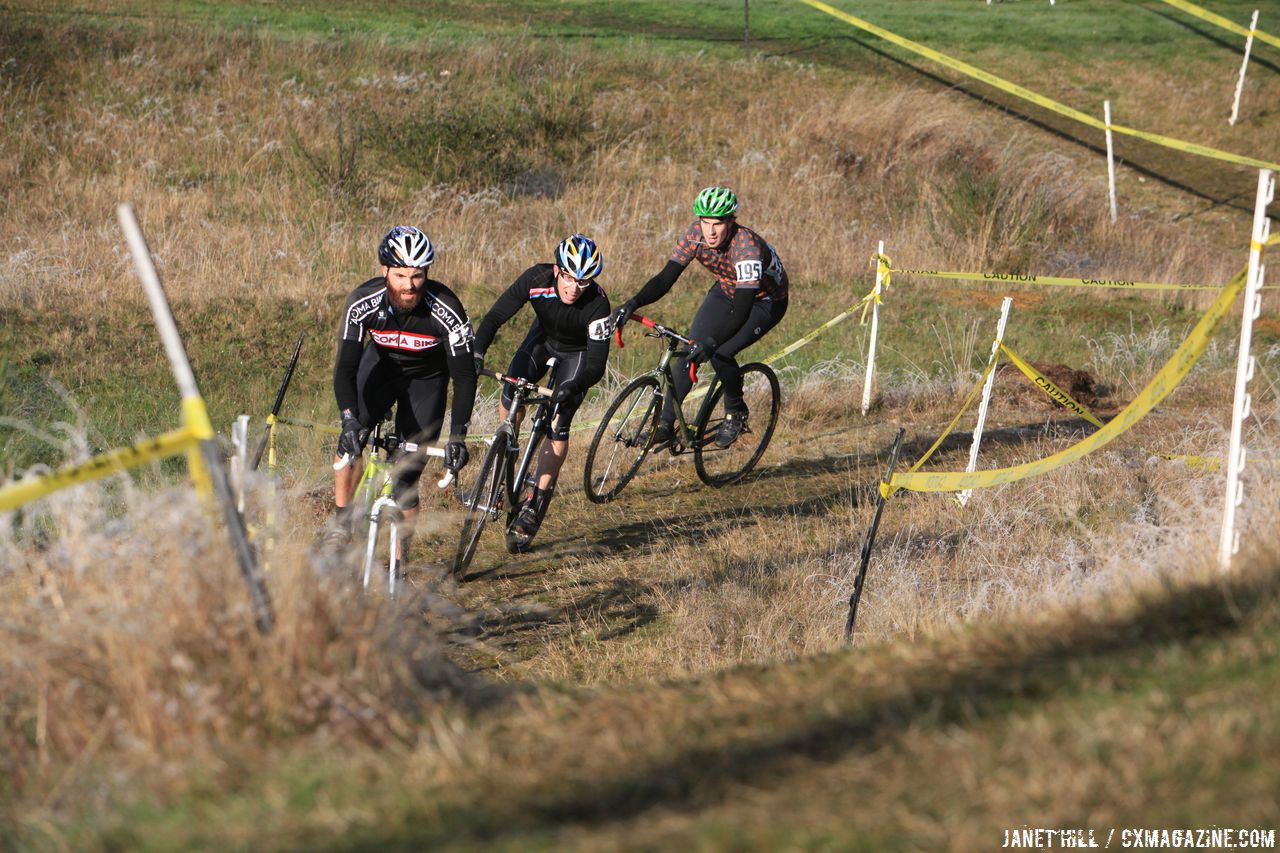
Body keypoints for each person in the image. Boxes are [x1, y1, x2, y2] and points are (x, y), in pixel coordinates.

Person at [327, 225, 477, 554]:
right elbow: (345, 368)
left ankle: (399, 560)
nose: (408, 286)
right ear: (385, 271)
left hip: (427, 380)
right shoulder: (361, 302)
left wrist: (457, 437)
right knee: (352, 439)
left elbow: (465, 377)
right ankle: (340, 524)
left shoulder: (448, 310)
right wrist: (349, 418)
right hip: (379, 367)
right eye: (399, 276)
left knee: (406, 475)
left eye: (417, 276)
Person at [613, 186, 788, 448]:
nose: (711, 231)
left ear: (730, 221)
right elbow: (665, 278)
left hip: (763, 301)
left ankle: (736, 412)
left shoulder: (746, 248)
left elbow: (742, 310)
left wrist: (712, 341)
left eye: (717, 223)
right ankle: (664, 424)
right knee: (688, 351)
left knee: (720, 351)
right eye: (705, 222)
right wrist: (632, 303)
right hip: (727, 288)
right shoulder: (694, 236)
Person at [472, 234, 611, 552]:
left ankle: (535, 502)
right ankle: (507, 448)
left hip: (576, 357)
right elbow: (495, 317)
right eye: (569, 277)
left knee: (558, 423)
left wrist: (573, 387)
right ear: (556, 269)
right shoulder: (536, 277)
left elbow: (597, 365)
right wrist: (478, 352)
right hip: (542, 341)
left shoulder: (598, 304)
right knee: (510, 394)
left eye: (583, 281)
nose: (574, 288)